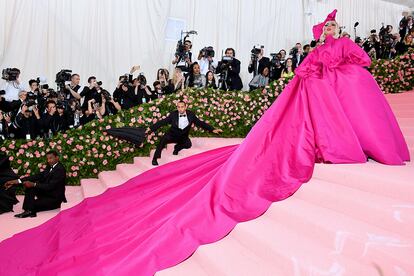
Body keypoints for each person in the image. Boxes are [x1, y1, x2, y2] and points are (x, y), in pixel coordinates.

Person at [0, 10, 409, 275]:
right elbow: (306, 73)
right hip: (321, 96)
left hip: (343, 90)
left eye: (335, 29)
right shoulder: (314, 53)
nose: (333, 33)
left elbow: (361, 61)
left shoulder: (344, 47)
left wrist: (339, 56)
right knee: (176, 144)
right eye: (329, 30)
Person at [148, 100, 222, 166]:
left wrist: (212, 129)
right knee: (162, 141)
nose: (180, 109)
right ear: (177, 108)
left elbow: (200, 123)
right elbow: (162, 122)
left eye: (182, 107)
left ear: (186, 107)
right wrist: (151, 128)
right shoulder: (173, 115)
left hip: (183, 136)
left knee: (188, 144)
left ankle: (176, 148)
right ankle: (155, 158)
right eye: (179, 107)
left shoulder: (191, 115)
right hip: (172, 135)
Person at [4, 151, 66, 218]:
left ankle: (30, 210)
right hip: (47, 193)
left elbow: (50, 186)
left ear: (57, 158)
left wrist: (34, 184)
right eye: (47, 159)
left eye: (51, 158)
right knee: (30, 187)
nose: (48, 161)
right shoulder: (50, 165)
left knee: (33, 203)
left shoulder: (60, 170)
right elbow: (38, 176)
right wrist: (17, 181)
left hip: (54, 198)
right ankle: (28, 210)